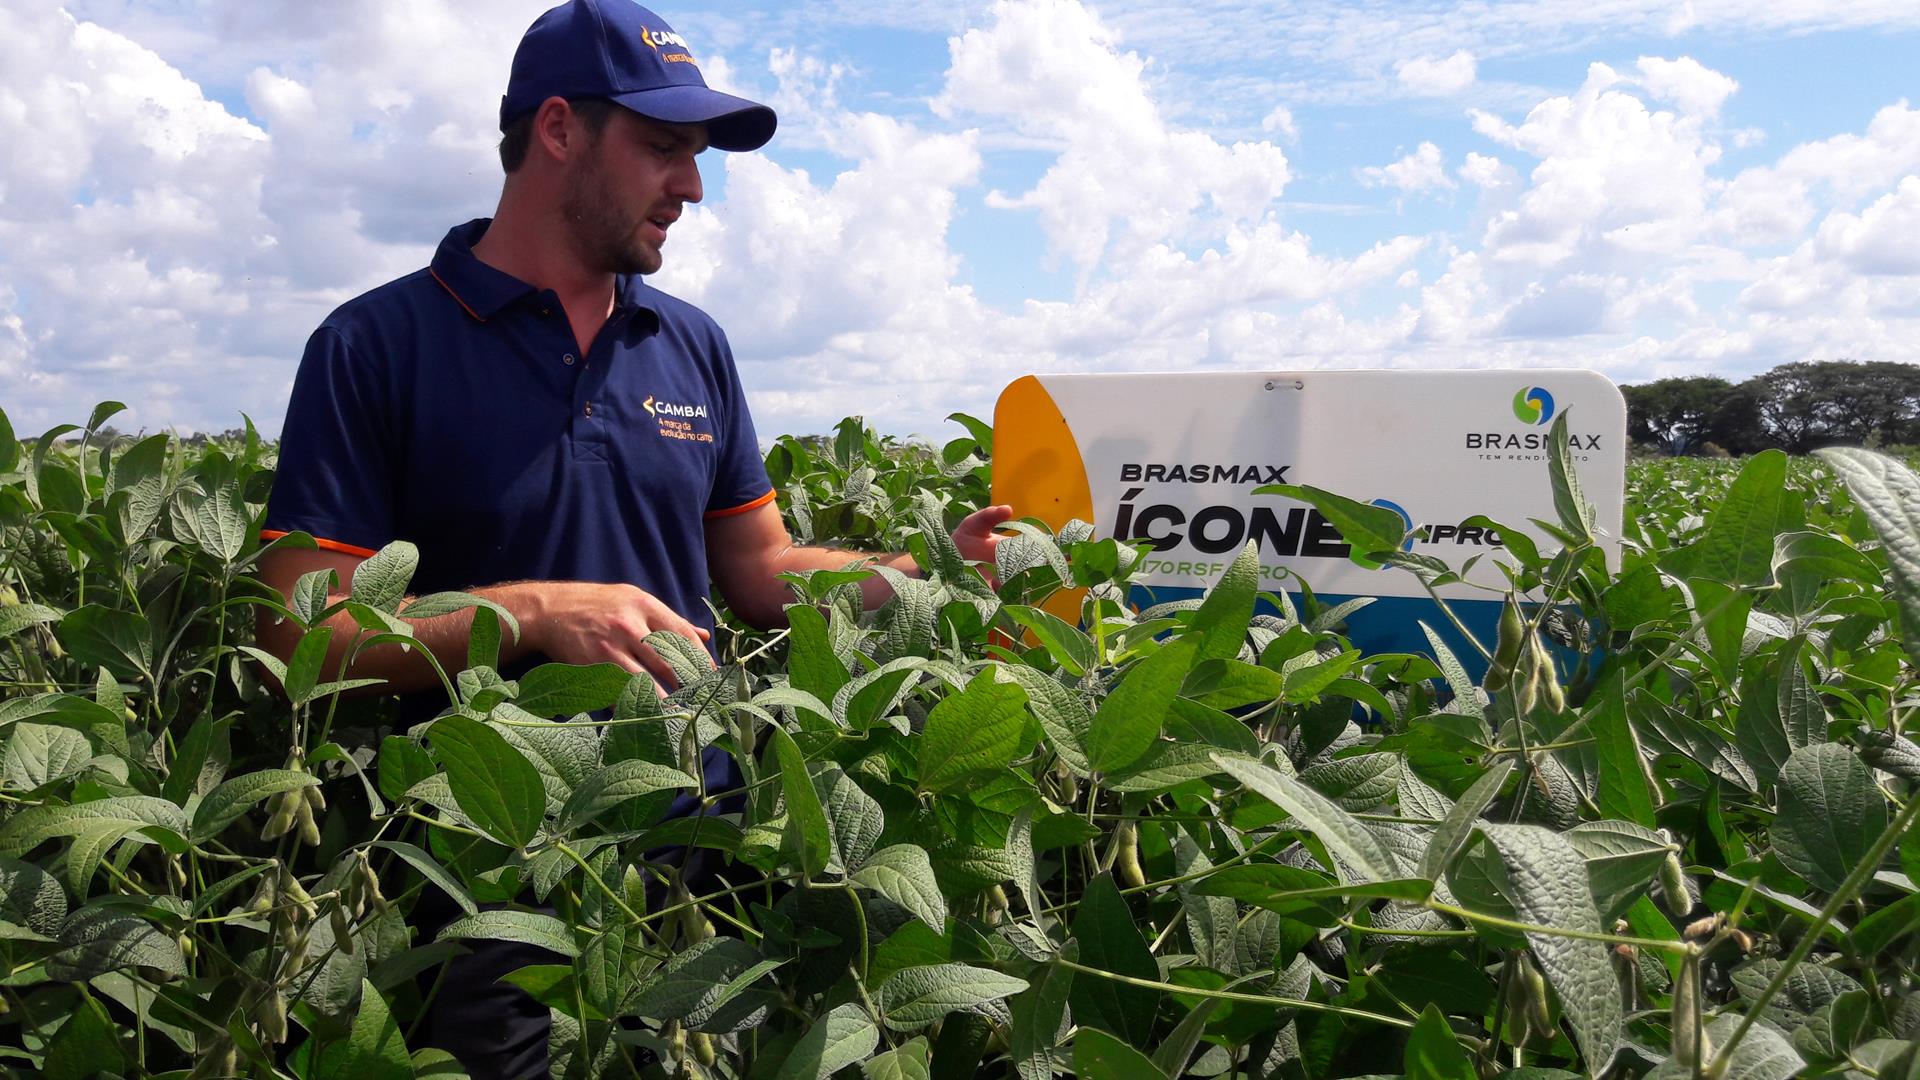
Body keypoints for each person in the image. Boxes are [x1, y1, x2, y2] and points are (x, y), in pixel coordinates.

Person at [255, 1, 1009, 1074]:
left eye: (696, 155)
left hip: (702, 854)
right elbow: (301, 638)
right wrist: (528, 614)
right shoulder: (375, 345)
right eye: (663, 147)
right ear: (559, 129)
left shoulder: (690, 344)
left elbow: (762, 572)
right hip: (489, 867)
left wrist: (927, 574)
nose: (692, 186)